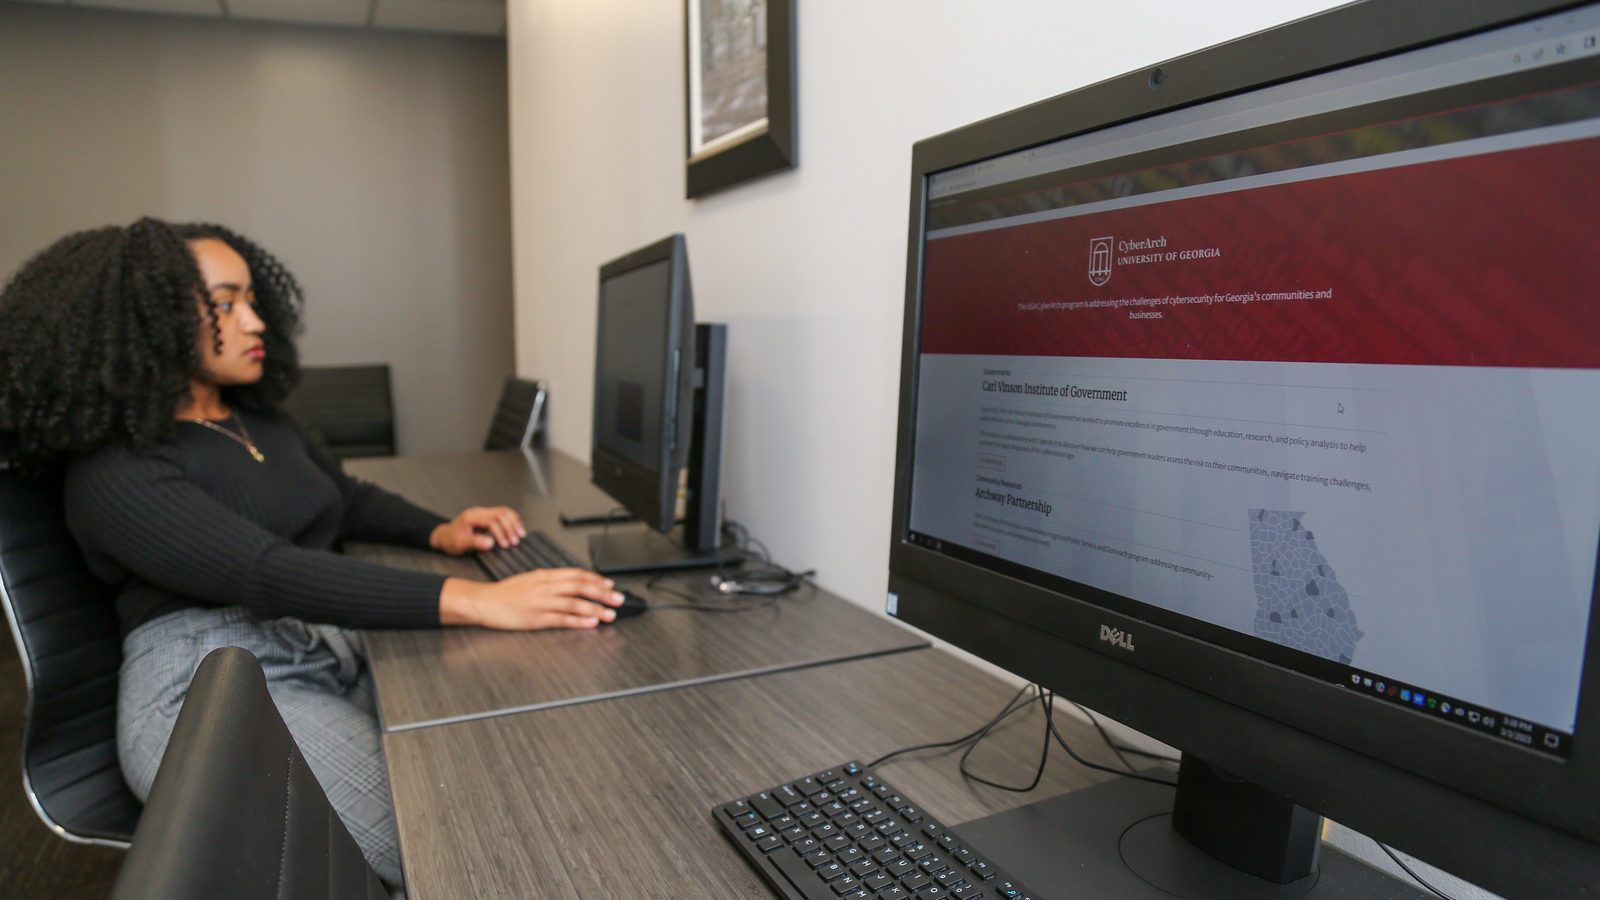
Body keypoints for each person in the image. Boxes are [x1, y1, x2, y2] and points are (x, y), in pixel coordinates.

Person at [0, 218, 621, 887]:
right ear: (146, 317)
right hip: (210, 693)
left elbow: (342, 498)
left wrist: (439, 530)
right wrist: (482, 599)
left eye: (254, 300)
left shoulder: (254, 418)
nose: (257, 321)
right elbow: (263, 571)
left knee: (501, 760)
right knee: (449, 846)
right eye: (227, 304)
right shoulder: (114, 470)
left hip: (316, 641)